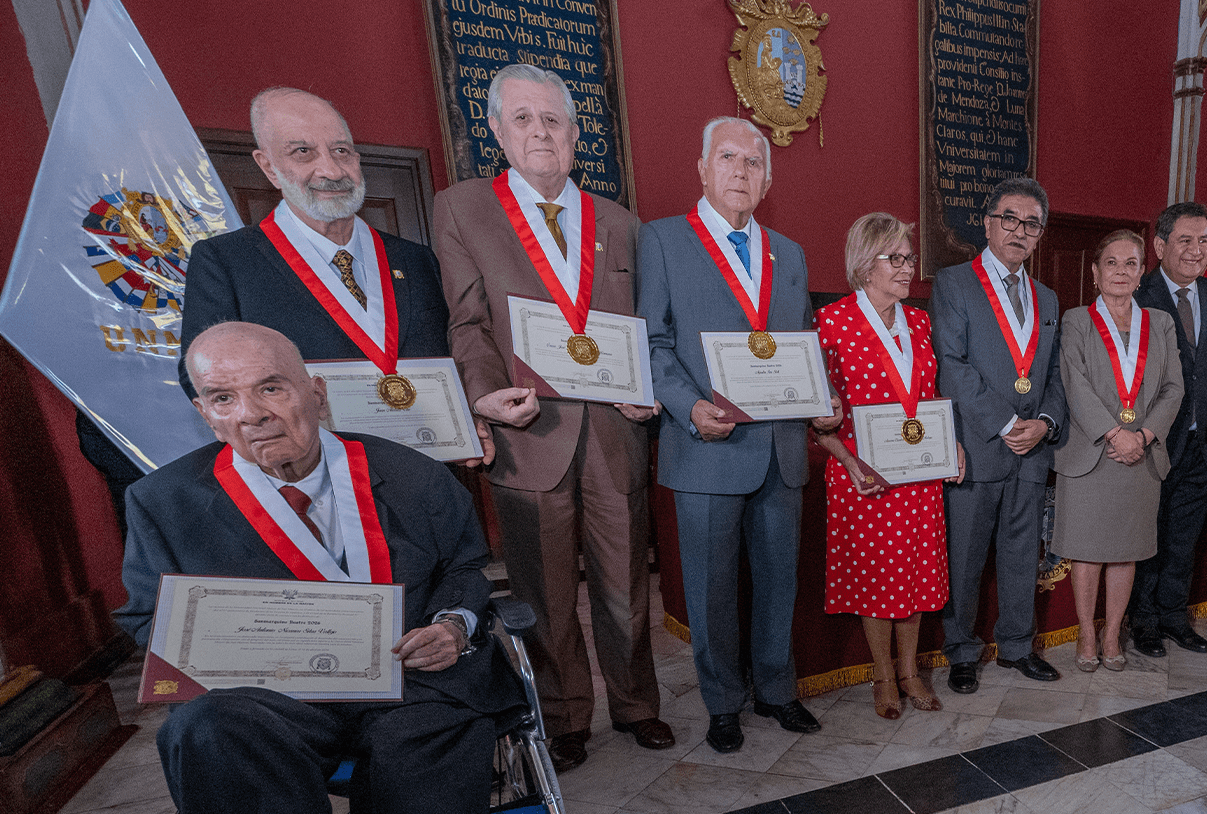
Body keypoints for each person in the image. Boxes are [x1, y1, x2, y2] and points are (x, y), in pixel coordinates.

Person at [115, 322, 521, 814]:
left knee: (430, 734)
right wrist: (215, 643)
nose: (252, 415)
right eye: (223, 398)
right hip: (272, 697)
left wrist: (452, 626)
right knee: (208, 726)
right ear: (205, 414)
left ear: (317, 393)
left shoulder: (414, 474)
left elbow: (463, 569)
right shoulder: (163, 503)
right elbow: (147, 618)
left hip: (411, 684)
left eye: (270, 388)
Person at [434, 64, 668, 769]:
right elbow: (467, 323)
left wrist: (645, 387)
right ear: (498, 130)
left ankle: (636, 704)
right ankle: (565, 716)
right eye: (525, 119)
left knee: (627, 585)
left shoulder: (623, 223)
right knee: (546, 594)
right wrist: (480, 395)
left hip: (615, 434)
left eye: (555, 120)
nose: (541, 132)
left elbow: (644, 329)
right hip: (526, 432)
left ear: (575, 133)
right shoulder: (462, 209)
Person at [639, 116, 833, 752]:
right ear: (702, 168)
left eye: (754, 163)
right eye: (728, 158)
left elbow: (799, 346)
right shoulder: (663, 241)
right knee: (711, 587)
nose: (740, 172)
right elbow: (653, 343)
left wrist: (820, 395)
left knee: (780, 580)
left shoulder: (792, 252)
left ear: (768, 178)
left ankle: (777, 691)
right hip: (706, 447)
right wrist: (688, 406)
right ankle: (722, 702)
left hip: (779, 452)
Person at [179, 89, 456, 412]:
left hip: (427, 455)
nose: (332, 171)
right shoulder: (225, 263)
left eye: (341, 151)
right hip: (314, 460)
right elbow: (206, 380)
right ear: (268, 167)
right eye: (303, 152)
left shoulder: (416, 259)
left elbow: (454, 357)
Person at [811, 213, 964, 717]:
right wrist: (848, 462)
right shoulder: (831, 323)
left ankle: (910, 672)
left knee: (916, 578)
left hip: (918, 476)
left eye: (908, 258)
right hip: (864, 478)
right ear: (864, 263)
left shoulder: (920, 322)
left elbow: (932, 397)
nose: (906, 268)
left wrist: (953, 446)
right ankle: (883, 677)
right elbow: (815, 417)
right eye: (894, 258)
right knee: (877, 581)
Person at [932, 177, 1067, 693]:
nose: (1019, 230)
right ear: (988, 223)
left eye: (1031, 223)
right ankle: (961, 651)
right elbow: (953, 365)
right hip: (980, 445)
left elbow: (1054, 376)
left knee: (1020, 554)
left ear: (1039, 235)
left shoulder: (1048, 297)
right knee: (964, 555)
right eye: (1009, 218)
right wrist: (1008, 424)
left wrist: (1045, 425)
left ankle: (1016, 646)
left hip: (1031, 451)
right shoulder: (954, 283)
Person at [1053, 230, 1183, 671]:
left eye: (1131, 263)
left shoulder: (1161, 323)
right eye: (1112, 262)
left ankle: (1113, 635)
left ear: (1142, 272)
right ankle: (1087, 634)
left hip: (1141, 455)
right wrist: (1114, 433)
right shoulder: (1075, 320)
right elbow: (1075, 383)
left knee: (1126, 550)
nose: (1121, 271)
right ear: (1095, 272)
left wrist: (1143, 436)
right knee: (1088, 550)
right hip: (1093, 453)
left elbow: (1173, 388)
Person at [1126, 202, 1207, 658]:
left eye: (1204, 240)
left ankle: (1174, 618)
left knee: (1184, 537)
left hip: (1203, 442)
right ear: (1160, 245)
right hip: (1153, 443)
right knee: (1148, 535)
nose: (1196, 250)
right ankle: (1143, 622)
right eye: (1185, 240)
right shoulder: (1134, 292)